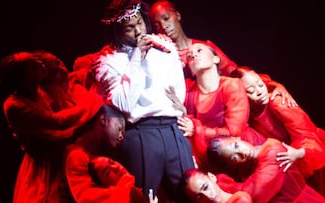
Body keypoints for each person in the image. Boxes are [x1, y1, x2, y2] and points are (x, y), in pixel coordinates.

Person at [93, 0, 195, 201]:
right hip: (141, 132)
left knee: (188, 192)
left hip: (173, 130)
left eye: (139, 23)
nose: (138, 30)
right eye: (129, 28)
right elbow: (124, 103)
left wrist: (178, 110)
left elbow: (178, 91)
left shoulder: (165, 46)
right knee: (144, 196)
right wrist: (137, 58)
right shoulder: (108, 61)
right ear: (118, 31)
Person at [0, 51, 103, 203]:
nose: (40, 64)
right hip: (44, 165)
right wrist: (93, 100)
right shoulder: (15, 106)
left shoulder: (41, 89)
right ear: (24, 78)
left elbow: (69, 81)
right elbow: (58, 121)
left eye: (37, 60)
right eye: (33, 65)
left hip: (62, 155)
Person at [149, 0, 297, 107]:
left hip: (220, 109)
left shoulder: (205, 48)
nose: (163, 26)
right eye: (156, 24)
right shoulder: (162, 57)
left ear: (178, 16)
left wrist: (273, 84)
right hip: (187, 115)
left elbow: (236, 73)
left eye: (166, 18)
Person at [172, 43, 266, 176]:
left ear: (215, 59)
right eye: (189, 56)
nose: (193, 55)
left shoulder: (231, 85)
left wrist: (197, 130)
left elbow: (234, 131)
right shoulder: (188, 91)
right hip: (212, 158)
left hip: (243, 149)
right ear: (191, 69)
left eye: (199, 50)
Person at [230, 66, 325, 194]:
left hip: (314, 158)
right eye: (251, 91)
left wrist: (299, 153)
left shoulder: (277, 103)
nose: (259, 92)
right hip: (291, 160)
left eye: (260, 85)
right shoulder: (248, 114)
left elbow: (307, 135)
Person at [207, 135, 325, 203]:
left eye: (236, 145)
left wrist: (218, 181)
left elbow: (255, 194)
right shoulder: (246, 169)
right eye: (234, 157)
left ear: (237, 138)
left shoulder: (273, 151)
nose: (243, 152)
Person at [88, 156, 159, 203]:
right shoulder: (127, 195)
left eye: (112, 162)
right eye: (107, 173)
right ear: (103, 186)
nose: (115, 167)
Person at [181, 168, 252, 203]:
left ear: (212, 177)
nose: (208, 196)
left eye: (206, 187)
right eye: (199, 197)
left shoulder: (241, 199)